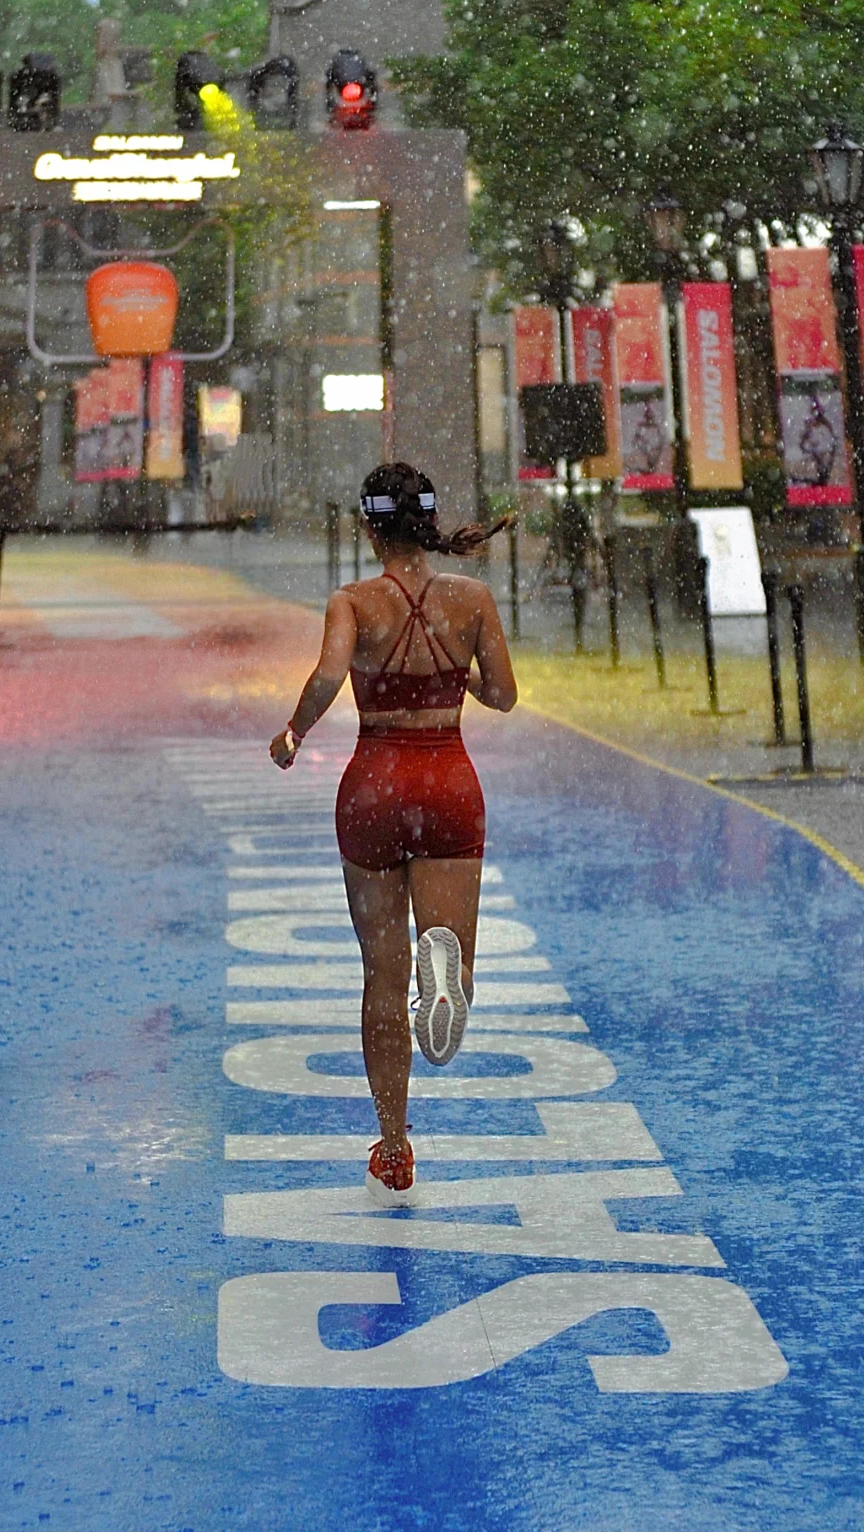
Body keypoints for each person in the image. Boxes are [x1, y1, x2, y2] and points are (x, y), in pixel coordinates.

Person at [270, 463, 517, 1207]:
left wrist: (293, 732)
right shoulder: (470, 599)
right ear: (429, 523)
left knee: (380, 975)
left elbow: (326, 675)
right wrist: (461, 677)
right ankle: (451, 977)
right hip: (447, 780)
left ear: (368, 527)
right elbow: (504, 695)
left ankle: (395, 1144)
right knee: (449, 956)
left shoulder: (353, 601)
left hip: (375, 784)